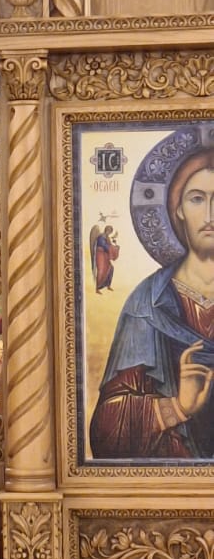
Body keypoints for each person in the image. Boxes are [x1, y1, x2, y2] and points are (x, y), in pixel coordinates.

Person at [91, 149, 214, 460]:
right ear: (178, 209)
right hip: (171, 477)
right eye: (197, 199)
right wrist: (177, 407)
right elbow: (106, 432)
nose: (210, 214)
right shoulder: (146, 305)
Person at [90, 221, 120, 292]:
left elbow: (109, 245)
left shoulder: (107, 237)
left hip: (105, 255)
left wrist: (115, 247)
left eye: (110, 232)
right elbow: (104, 245)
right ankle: (97, 288)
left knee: (111, 268)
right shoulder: (101, 237)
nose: (109, 233)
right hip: (100, 255)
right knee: (101, 270)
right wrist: (113, 248)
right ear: (106, 230)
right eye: (109, 231)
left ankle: (108, 285)